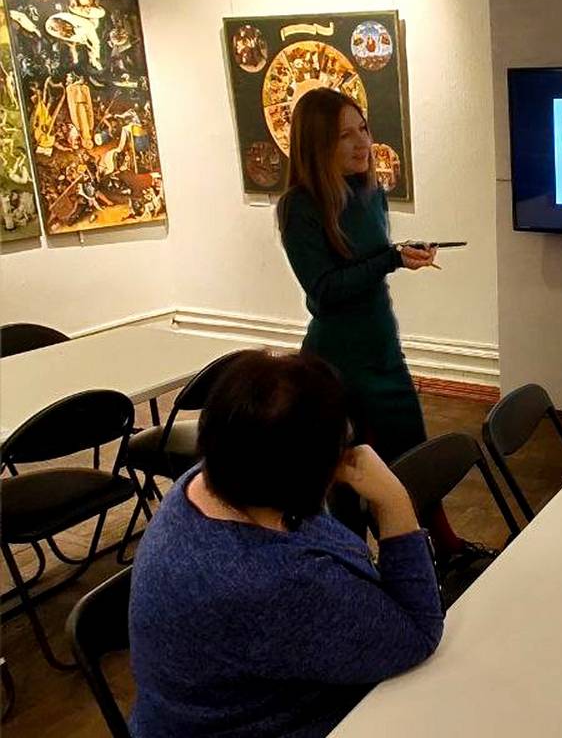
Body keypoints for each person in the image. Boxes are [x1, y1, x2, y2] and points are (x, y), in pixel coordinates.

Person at [129, 351, 444, 737]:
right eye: (341, 440)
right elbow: (418, 633)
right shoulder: (274, 580)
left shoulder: (213, 479)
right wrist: (393, 500)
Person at [277, 88, 478, 562]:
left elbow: (368, 268)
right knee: (351, 475)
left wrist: (399, 255)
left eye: (363, 129)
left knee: (412, 455)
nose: (361, 143)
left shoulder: (371, 194)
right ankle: (357, 566)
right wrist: (389, 259)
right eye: (344, 136)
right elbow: (324, 292)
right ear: (316, 144)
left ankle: (442, 548)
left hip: (382, 347)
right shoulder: (300, 206)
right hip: (339, 361)